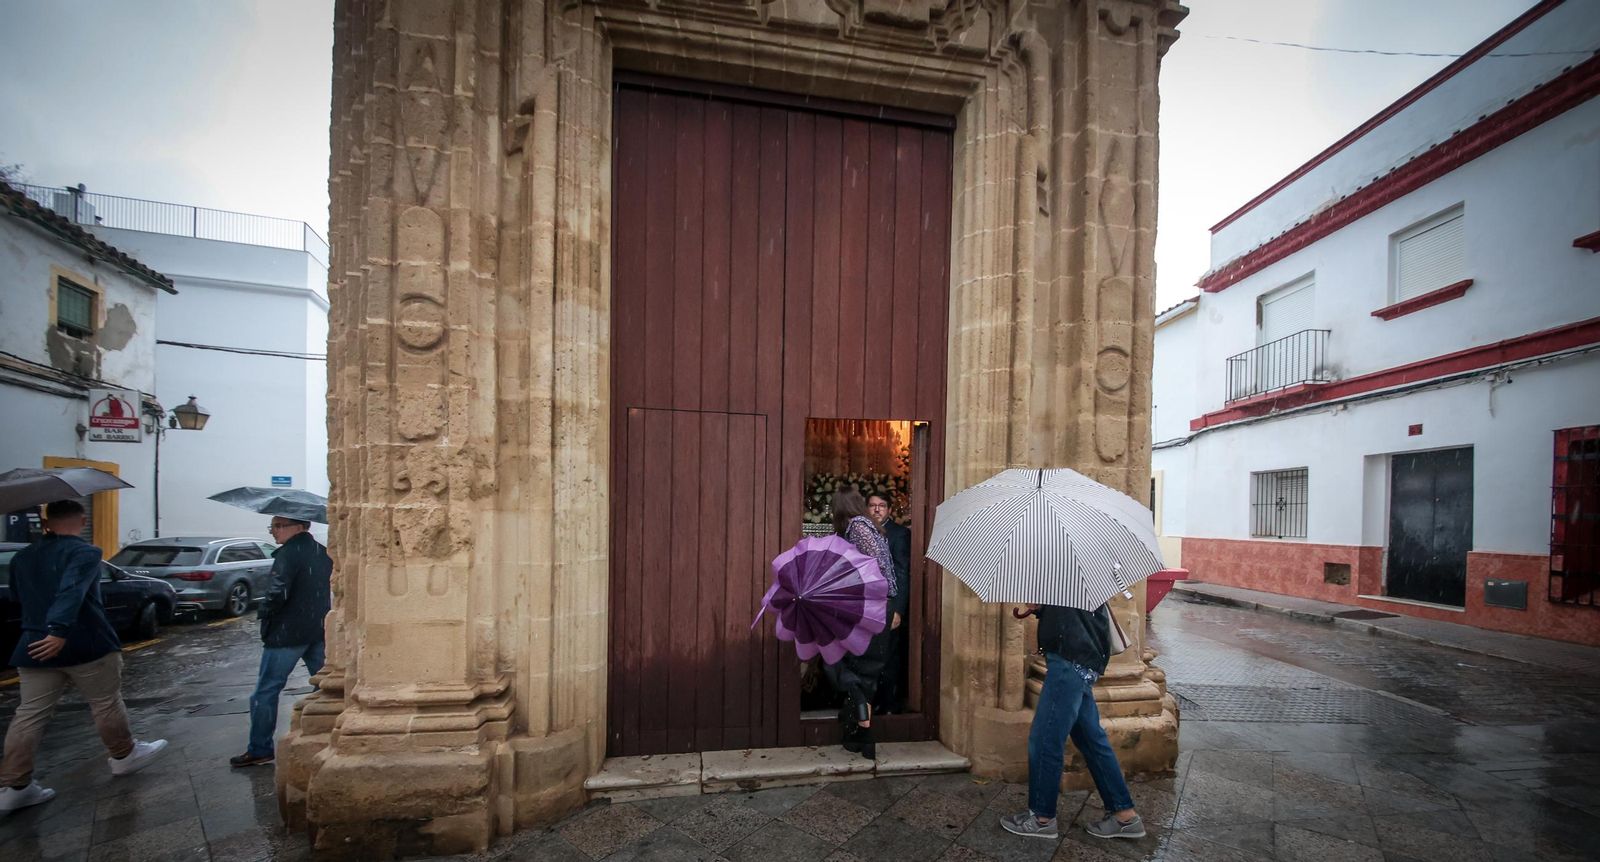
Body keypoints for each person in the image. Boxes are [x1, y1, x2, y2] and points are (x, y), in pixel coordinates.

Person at [0, 500, 167, 813]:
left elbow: (18, 596)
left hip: (34, 645)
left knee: (30, 714)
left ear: (47, 522)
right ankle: (123, 756)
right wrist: (58, 629)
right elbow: (72, 590)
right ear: (82, 520)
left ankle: (14, 785)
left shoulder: (23, 556)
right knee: (105, 702)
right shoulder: (85, 552)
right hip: (83, 642)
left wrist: (44, 627)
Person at [1001, 603, 1144, 841]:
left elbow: (1070, 617)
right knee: (1090, 738)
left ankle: (1042, 818)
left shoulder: (1071, 582)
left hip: (1069, 659)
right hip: (1078, 657)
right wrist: (1041, 608)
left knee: (1045, 738)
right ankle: (1124, 815)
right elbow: (1071, 611)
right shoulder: (1074, 585)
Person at [230, 516, 332, 767]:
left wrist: (265, 614)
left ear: (298, 526)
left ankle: (259, 748)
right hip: (316, 628)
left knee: (265, 691)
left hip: (287, 633)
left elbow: (278, 592)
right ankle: (322, 733)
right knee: (326, 686)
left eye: (278, 526)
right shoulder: (321, 552)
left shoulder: (288, 554)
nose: (273, 531)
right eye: (273, 526)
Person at [825, 486, 896, 759]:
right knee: (866, 669)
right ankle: (860, 736)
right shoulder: (871, 527)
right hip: (880, 606)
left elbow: (875, 569)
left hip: (868, 606)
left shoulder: (857, 527)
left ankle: (862, 724)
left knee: (840, 663)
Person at [866, 492, 909, 713]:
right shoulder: (862, 532)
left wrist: (898, 610)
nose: (877, 509)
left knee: (888, 656)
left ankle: (888, 704)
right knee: (868, 656)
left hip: (888, 604)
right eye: (872, 505)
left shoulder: (899, 534)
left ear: (889, 510)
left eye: (881, 505)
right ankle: (869, 703)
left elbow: (902, 573)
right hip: (866, 605)